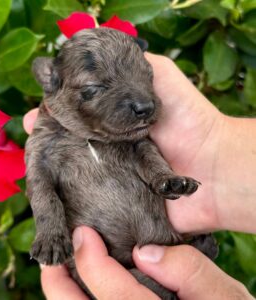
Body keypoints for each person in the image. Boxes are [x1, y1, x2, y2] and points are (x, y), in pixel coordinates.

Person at [23, 53, 256, 299]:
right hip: (110, 264)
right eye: (94, 88)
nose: (142, 102)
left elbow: (142, 150)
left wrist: (164, 177)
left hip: (161, 243)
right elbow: (39, 182)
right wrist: (51, 231)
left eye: (143, 79)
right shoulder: (49, 134)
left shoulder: (125, 131)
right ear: (50, 80)